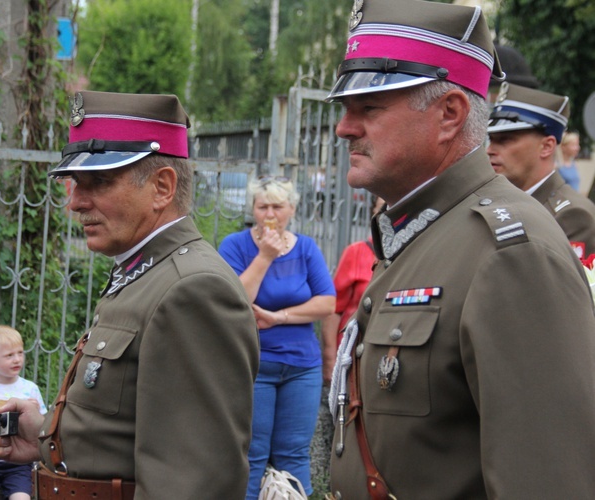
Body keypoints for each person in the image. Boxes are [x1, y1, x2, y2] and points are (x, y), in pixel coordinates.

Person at [324, 0, 595, 498]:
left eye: (369, 108)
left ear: (450, 114)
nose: (345, 127)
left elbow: (546, 481)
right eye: (345, 109)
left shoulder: (511, 253)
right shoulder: (422, 228)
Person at [0, 91, 259, 499]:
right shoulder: (146, 272)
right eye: (74, 184)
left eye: (99, 182)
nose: (74, 202)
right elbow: (123, 429)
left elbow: (192, 482)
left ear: (162, 187)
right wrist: (44, 433)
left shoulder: (192, 288)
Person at [218, 176, 335, 499]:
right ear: (253, 210)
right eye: (263, 206)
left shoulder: (306, 248)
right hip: (255, 364)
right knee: (252, 453)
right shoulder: (235, 246)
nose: (270, 213)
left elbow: (326, 303)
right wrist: (265, 256)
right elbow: (236, 300)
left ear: (292, 209)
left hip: (301, 367)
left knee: (294, 454)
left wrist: (278, 317)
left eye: (278, 206)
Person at [487, 83, 595, 259]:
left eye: (504, 140)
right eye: (491, 139)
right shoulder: (496, 202)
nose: (490, 150)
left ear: (546, 146)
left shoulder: (572, 215)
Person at [0, 326, 47, 500]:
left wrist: (36, 411)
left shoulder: (30, 388)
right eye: (9, 355)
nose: (17, 360)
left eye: (20, 353)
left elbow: (44, 424)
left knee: (21, 497)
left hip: (20, 463)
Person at [321, 196, 384, 384]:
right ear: (373, 211)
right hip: (354, 355)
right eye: (383, 206)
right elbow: (334, 309)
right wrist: (330, 358)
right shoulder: (356, 252)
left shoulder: (415, 252)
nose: (390, 209)